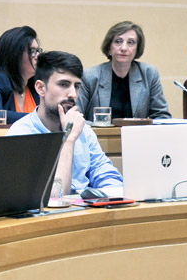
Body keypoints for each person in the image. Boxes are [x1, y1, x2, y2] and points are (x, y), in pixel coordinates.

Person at [7, 51, 122, 195]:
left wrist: (110, 195)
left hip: (86, 212)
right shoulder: (21, 134)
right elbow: (54, 198)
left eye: (77, 86)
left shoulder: (83, 130)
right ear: (41, 88)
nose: (73, 94)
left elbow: (108, 176)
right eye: (63, 84)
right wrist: (68, 139)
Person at [77, 21, 170, 121]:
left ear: (137, 49)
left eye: (130, 42)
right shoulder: (90, 76)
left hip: (136, 135)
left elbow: (161, 116)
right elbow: (76, 117)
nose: (124, 48)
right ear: (109, 47)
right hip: (99, 136)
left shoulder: (148, 73)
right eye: (118, 41)